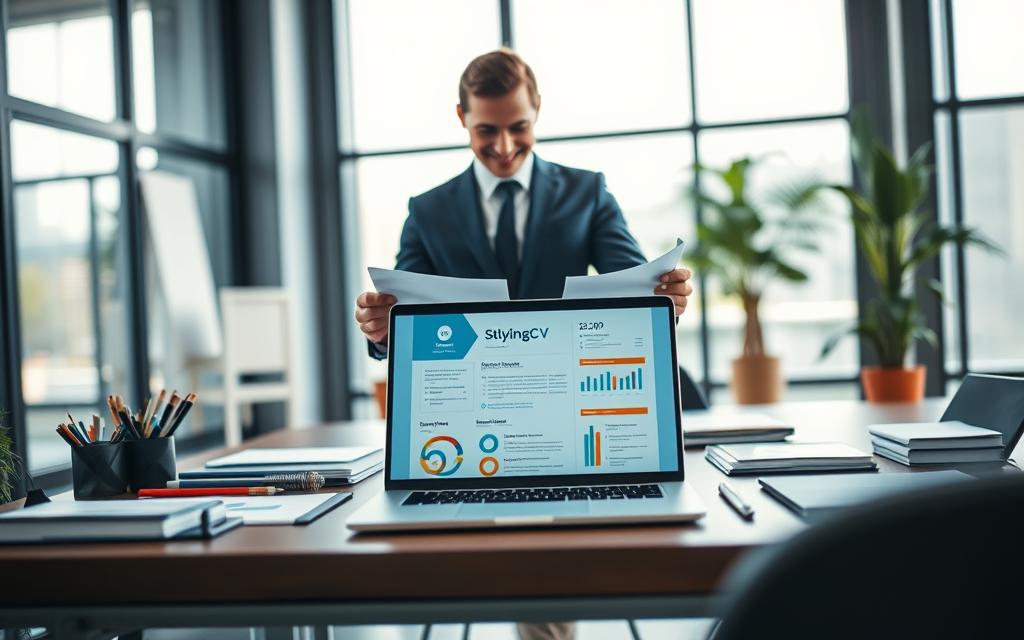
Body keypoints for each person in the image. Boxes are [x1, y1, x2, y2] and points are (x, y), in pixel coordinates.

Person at [353, 49, 694, 640]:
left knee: (549, 530)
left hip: (565, 418)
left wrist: (666, 299)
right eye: (487, 130)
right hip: (472, 420)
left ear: (538, 112)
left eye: (520, 127)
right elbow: (402, 318)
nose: (505, 146)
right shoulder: (428, 213)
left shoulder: (586, 193)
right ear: (461, 117)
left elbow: (634, 293)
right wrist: (383, 331)